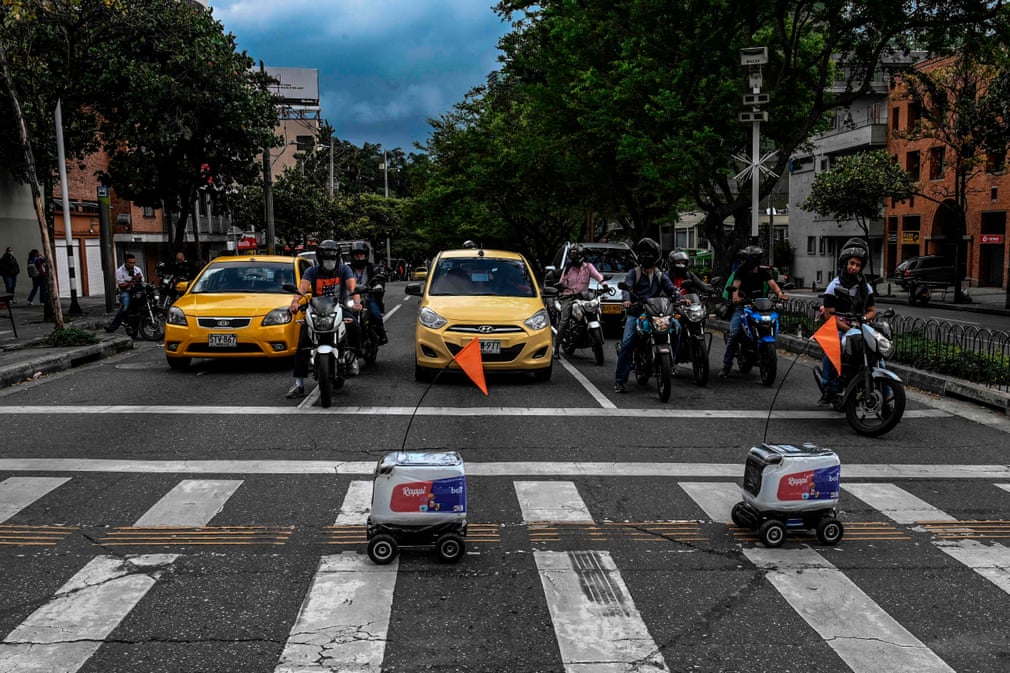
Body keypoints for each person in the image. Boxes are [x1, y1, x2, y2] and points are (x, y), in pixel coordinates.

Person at [286, 240, 360, 399]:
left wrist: (357, 302)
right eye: (326, 258)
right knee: (303, 340)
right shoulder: (311, 272)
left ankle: (353, 357)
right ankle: (299, 384)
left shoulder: (344, 269)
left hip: (339, 309)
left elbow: (352, 287)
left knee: (354, 325)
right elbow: (302, 288)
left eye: (332, 258)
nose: (329, 261)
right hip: (316, 312)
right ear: (320, 258)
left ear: (337, 257)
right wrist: (294, 302)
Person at [613, 237, 681, 393]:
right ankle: (620, 380)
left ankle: (671, 362)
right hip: (636, 313)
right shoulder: (633, 273)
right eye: (643, 253)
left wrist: (680, 298)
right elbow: (626, 289)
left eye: (650, 253)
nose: (646, 256)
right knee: (628, 342)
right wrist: (627, 301)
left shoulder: (660, 275)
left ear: (656, 256)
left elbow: (672, 289)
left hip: (657, 312)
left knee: (677, 328)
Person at [818, 240, 877, 404]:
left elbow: (872, 310)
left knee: (878, 352)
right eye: (852, 263)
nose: (854, 267)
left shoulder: (866, 287)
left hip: (860, 326)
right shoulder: (833, 286)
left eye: (858, 265)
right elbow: (830, 316)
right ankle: (828, 386)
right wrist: (849, 327)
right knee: (831, 346)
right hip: (840, 326)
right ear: (845, 263)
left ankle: (886, 397)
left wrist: (863, 320)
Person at [720, 245, 788, 378]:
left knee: (769, 322)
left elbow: (773, 284)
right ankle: (726, 366)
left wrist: (780, 294)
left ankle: (762, 351)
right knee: (734, 334)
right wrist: (736, 297)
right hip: (743, 306)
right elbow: (736, 285)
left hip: (760, 306)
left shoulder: (763, 271)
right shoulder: (741, 270)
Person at [555, 244, 607, 358]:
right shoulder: (568, 268)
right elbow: (561, 282)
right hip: (568, 297)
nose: (575, 258)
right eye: (573, 255)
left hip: (584, 297)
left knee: (595, 308)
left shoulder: (588, 267)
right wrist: (561, 287)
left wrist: (604, 285)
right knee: (564, 322)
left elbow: (598, 276)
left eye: (577, 255)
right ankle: (556, 349)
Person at [347, 241, 388, 344]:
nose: (359, 257)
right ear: (353, 256)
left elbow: (378, 278)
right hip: (351, 297)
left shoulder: (372, 268)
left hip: (368, 295)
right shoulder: (347, 269)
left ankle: (382, 334)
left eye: (361, 255)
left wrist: (378, 285)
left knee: (375, 313)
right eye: (357, 255)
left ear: (365, 255)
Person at [106, 252, 144, 332]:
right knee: (125, 307)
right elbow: (121, 286)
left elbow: (142, 281)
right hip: (126, 291)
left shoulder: (137, 269)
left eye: (134, 262)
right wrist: (131, 282)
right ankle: (112, 327)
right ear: (125, 262)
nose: (132, 265)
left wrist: (139, 279)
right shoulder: (120, 271)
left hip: (137, 291)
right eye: (130, 263)